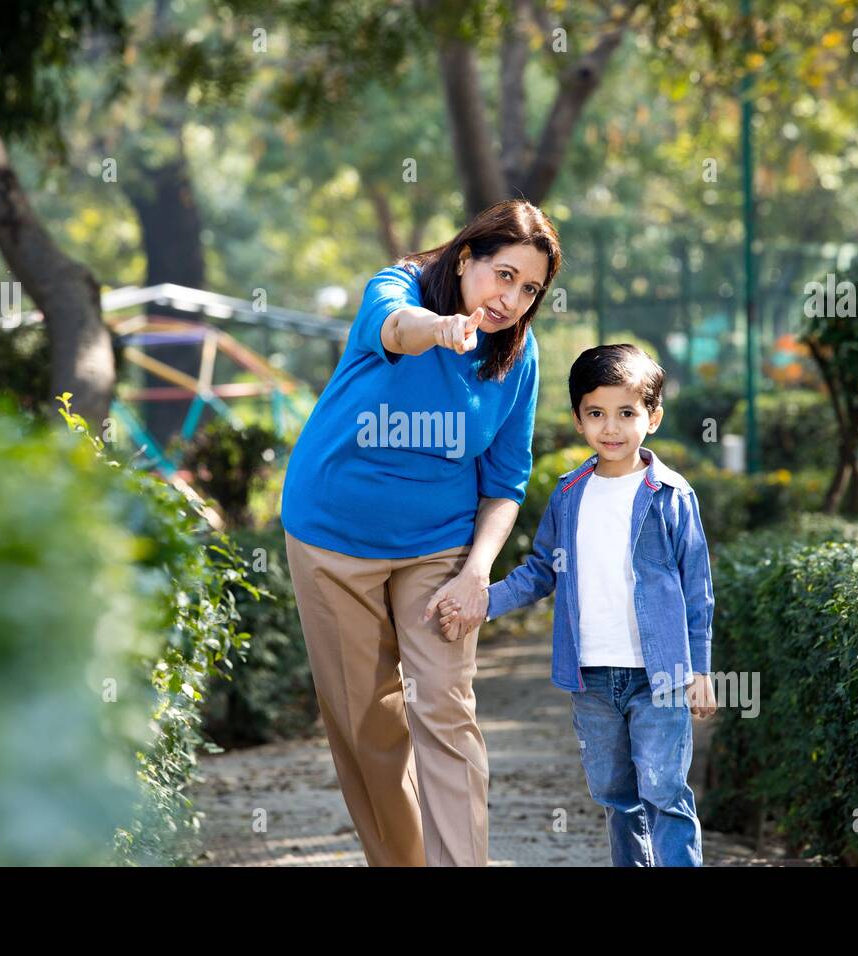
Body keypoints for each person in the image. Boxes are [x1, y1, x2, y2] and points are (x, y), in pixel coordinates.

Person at [280, 199, 562, 866]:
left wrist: (476, 574)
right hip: (331, 538)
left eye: (530, 289)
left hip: (439, 547)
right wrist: (440, 330)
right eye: (503, 275)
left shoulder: (517, 358)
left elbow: (505, 484)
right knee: (368, 726)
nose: (512, 299)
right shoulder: (398, 288)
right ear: (466, 258)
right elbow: (395, 327)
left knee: (445, 709)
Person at [440, 343, 718, 866]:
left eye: (626, 413)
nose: (610, 428)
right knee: (615, 795)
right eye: (596, 414)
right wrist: (484, 601)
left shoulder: (672, 495)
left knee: (663, 790)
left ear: (652, 417)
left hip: (662, 674)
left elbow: (697, 590)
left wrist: (699, 670)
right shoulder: (569, 494)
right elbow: (541, 571)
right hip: (590, 676)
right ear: (578, 420)